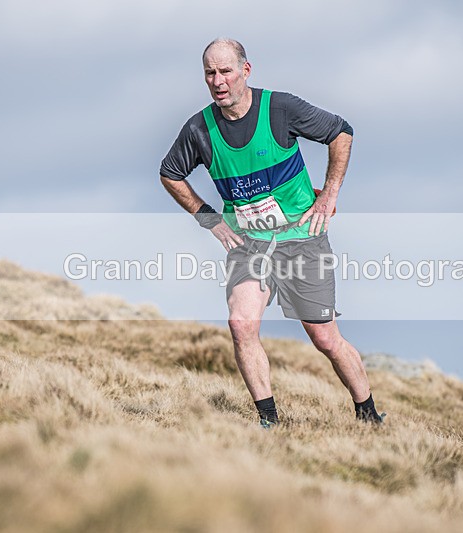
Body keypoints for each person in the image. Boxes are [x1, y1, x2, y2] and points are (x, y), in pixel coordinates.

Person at [159, 38, 382, 427]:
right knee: (241, 324)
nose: (218, 81)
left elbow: (341, 132)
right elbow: (170, 173)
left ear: (245, 70)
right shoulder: (199, 129)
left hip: (302, 238)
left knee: (325, 339)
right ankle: (269, 422)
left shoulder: (279, 109)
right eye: (210, 73)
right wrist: (208, 218)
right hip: (249, 245)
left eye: (226, 71)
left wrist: (330, 194)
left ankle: (368, 414)